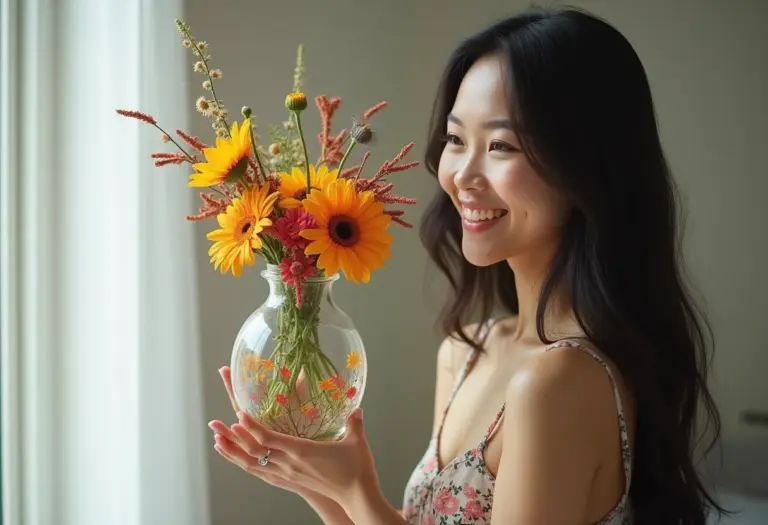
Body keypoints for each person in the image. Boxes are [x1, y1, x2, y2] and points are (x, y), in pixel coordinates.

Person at [208, 7, 727, 524]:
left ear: (587, 165)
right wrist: (323, 485)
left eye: (501, 145)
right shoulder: (467, 351)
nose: (461, 176)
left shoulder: (561, 382)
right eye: (456, 140)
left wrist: (358, 491)